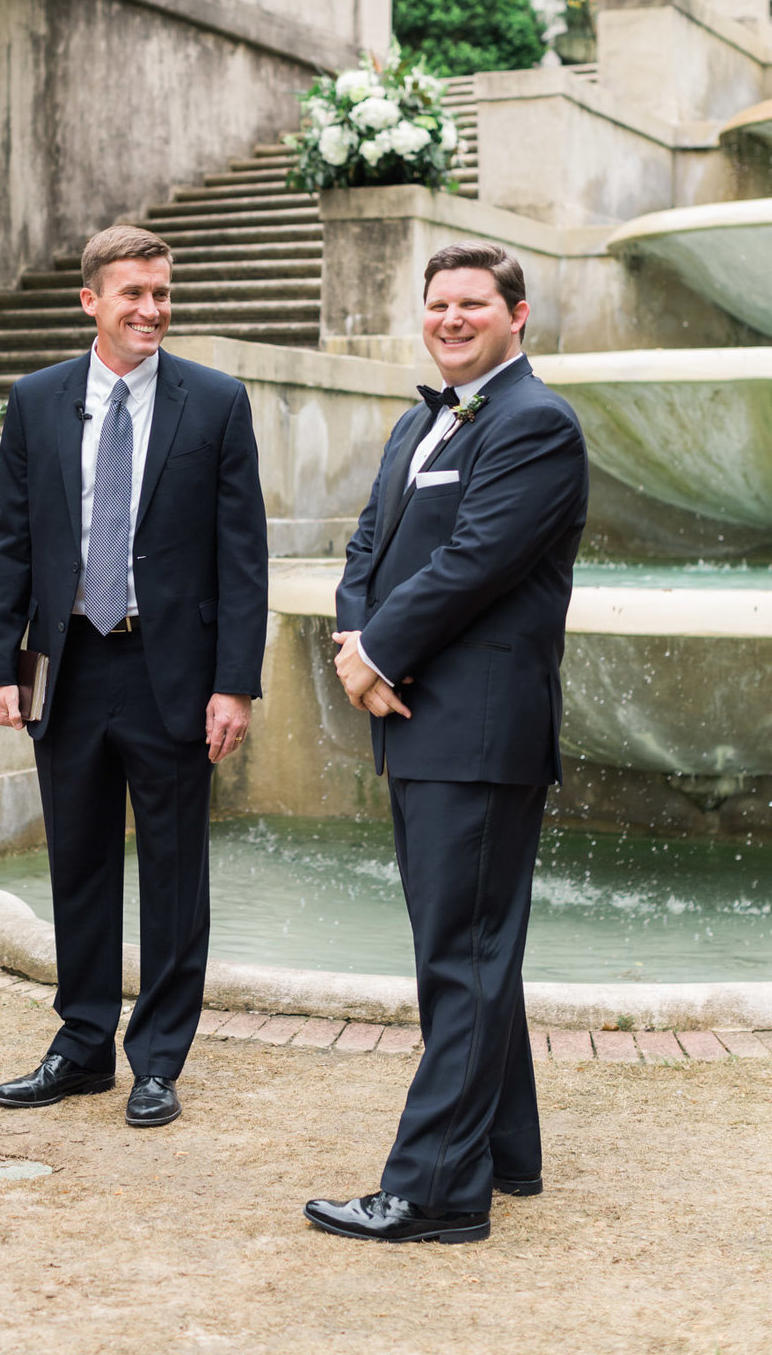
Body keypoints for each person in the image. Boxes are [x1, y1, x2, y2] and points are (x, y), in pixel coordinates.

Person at [305, 242, 588, 1245]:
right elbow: (367, 546)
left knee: (460, 957)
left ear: (518, 314)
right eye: (437, 304)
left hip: (475, 729)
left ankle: (434, 1193)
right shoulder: (419, 420)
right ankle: (504, 1153)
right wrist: (356, 638)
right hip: (418, 720)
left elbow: (477, 562)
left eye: (473, 303)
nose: (452, 318)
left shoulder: (537, 424)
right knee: (469, 948)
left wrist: (378, 650)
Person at [0, 224, 268, 1128]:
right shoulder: (36, 401)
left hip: (170, 668)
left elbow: (243, 555)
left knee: (176, 872)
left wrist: (235, 683)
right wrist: (0, 664)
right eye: (134, 293)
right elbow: (13, 541)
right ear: (91, 302)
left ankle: (159, 1058)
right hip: (69, 663)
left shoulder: (215, 403)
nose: (152, 309)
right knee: (79, 860)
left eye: (162, 293)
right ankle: (80, 1044)